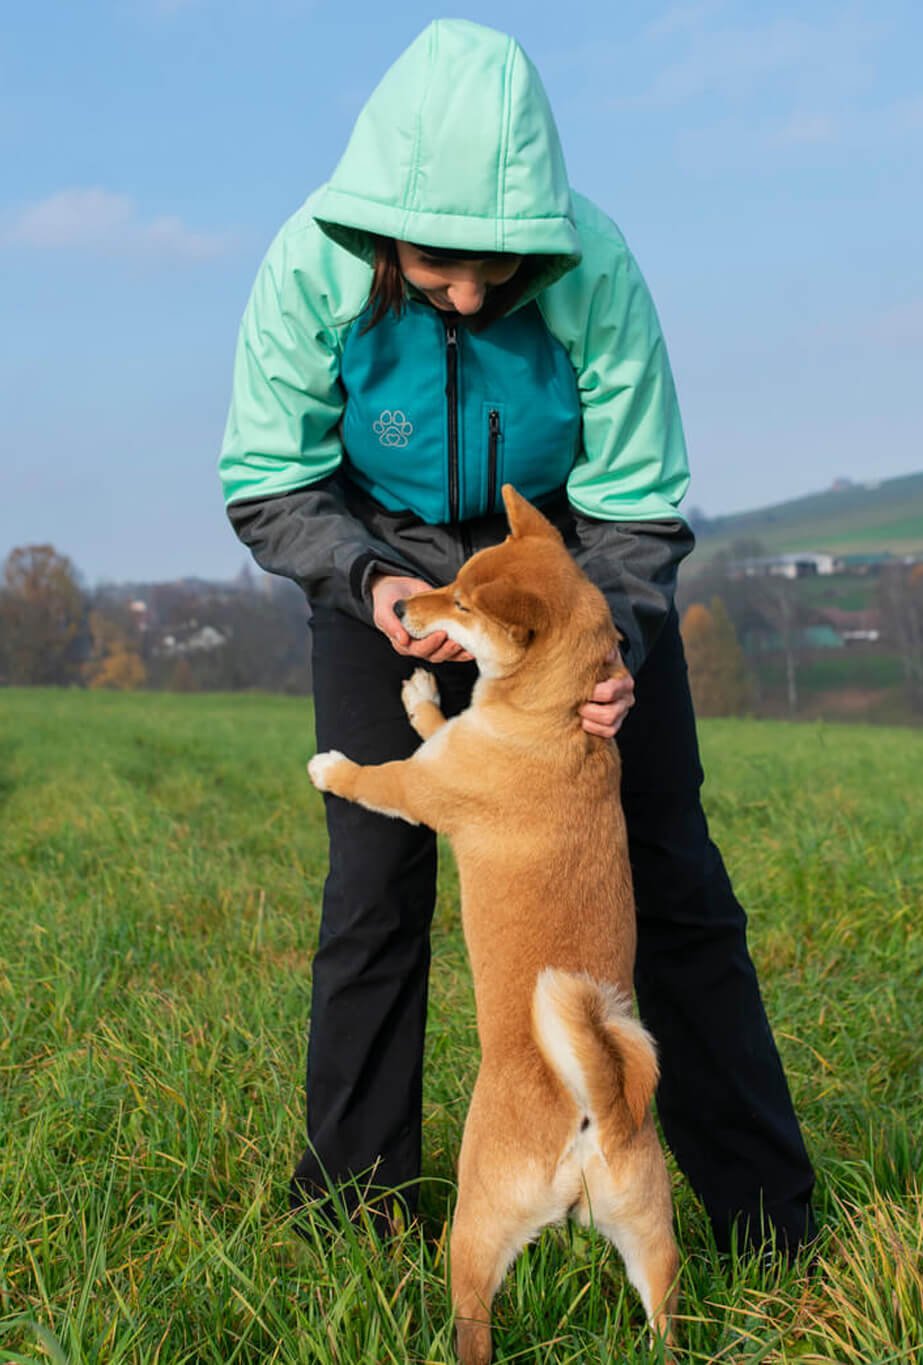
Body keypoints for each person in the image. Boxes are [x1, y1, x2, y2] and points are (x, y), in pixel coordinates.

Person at [219, 18, 817, 1259]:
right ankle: (352, 1220)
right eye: (442, 268)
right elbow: (271, 480)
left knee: (671, 875)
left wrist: (613, 658)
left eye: (501, 269)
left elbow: (639, 499)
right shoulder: (306, 267)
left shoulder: (596, 268)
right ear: (381, 226)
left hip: (564, 583)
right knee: (376, 891)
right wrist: (372, 582)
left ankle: (770, 1223)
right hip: (379, 567)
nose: (475, 295)